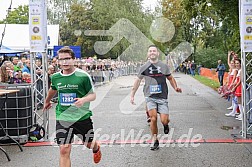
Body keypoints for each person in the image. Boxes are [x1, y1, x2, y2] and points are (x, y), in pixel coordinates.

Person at [43, 46, 101, 166]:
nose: (65, 62)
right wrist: (47, 101)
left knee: (88, 144)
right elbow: (53, 89)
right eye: (61, 59)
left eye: (68, 58)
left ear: (74, 59)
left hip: (82, 117)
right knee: (64, 148)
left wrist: (83, 99)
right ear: (58, 61)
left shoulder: (83, 76)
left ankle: (96, 148)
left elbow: (93, 95)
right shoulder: (55, 77)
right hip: (63, 116)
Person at [130, 45, 182, 151]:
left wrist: (176, 87)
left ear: (157, 53)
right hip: (150, 97)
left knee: (164, 120)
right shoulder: (144, 67)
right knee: (153, 118)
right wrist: (132, 94)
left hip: (162, 97)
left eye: (154, 51)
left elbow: (170, 78)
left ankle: (166, 124)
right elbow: (137, 80)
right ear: (148, 54)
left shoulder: (163, 66)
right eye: (150, 51)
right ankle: (155, 140)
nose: (152, 52)